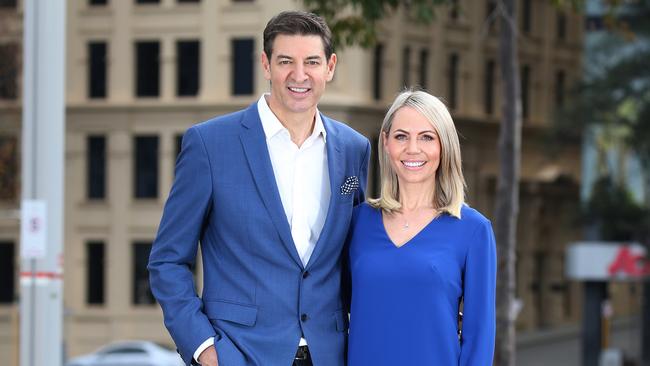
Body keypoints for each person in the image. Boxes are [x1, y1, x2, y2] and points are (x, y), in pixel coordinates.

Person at [148, 11, 370, 366]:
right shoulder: (210, 144)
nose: (300, 75)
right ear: (266, 64)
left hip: (330, 353)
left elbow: (355, 257)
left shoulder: (354, 149)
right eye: (286, 61)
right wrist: (205, 349)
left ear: (329, 67)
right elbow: (167, 260)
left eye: (311, 61)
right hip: (240, 353)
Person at [346, 90, 496, 365]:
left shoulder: (473, 230)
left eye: (427, 137)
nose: (412, 148)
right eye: (401, 136)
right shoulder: (357, 222)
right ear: (386, 143)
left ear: (444, 146)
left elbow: (479, 338)